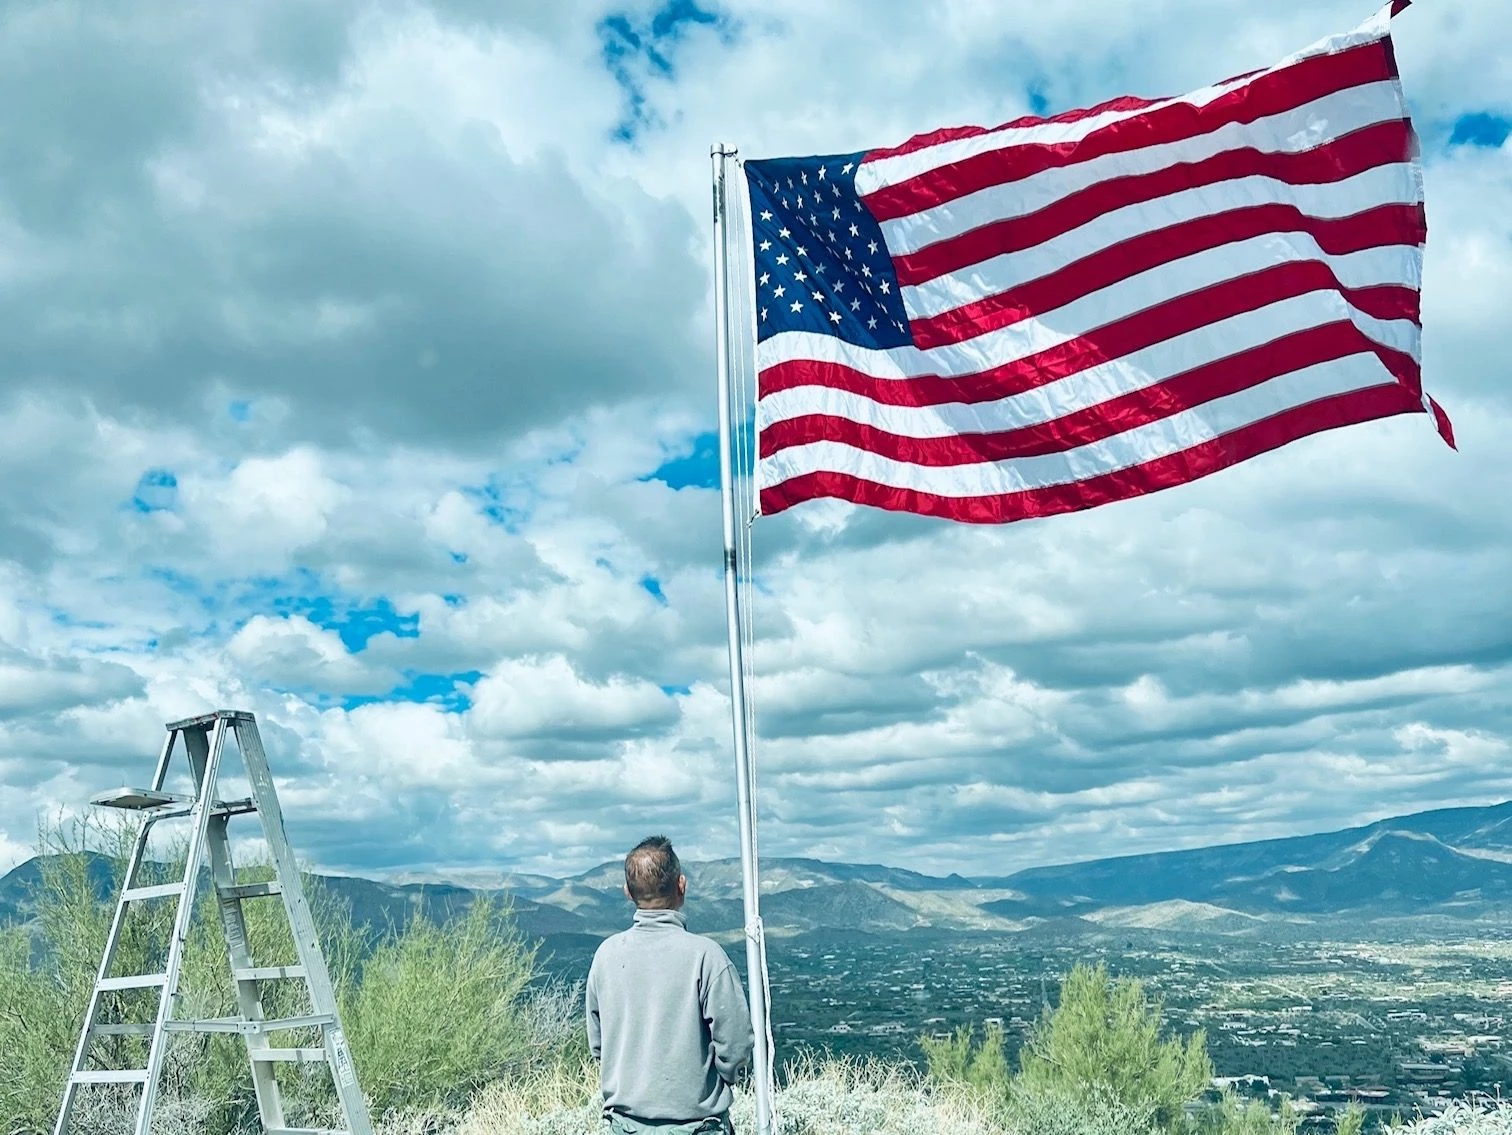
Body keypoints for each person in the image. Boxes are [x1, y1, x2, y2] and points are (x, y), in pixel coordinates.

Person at [586, 835, 756, 1134]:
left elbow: (598, 1044)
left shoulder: (606, 955)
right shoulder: (707, 956)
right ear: (682, 885)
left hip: (624, 1125)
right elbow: (736, 1043)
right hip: (697, 1125)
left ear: (628, 892)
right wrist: (722, 1080)